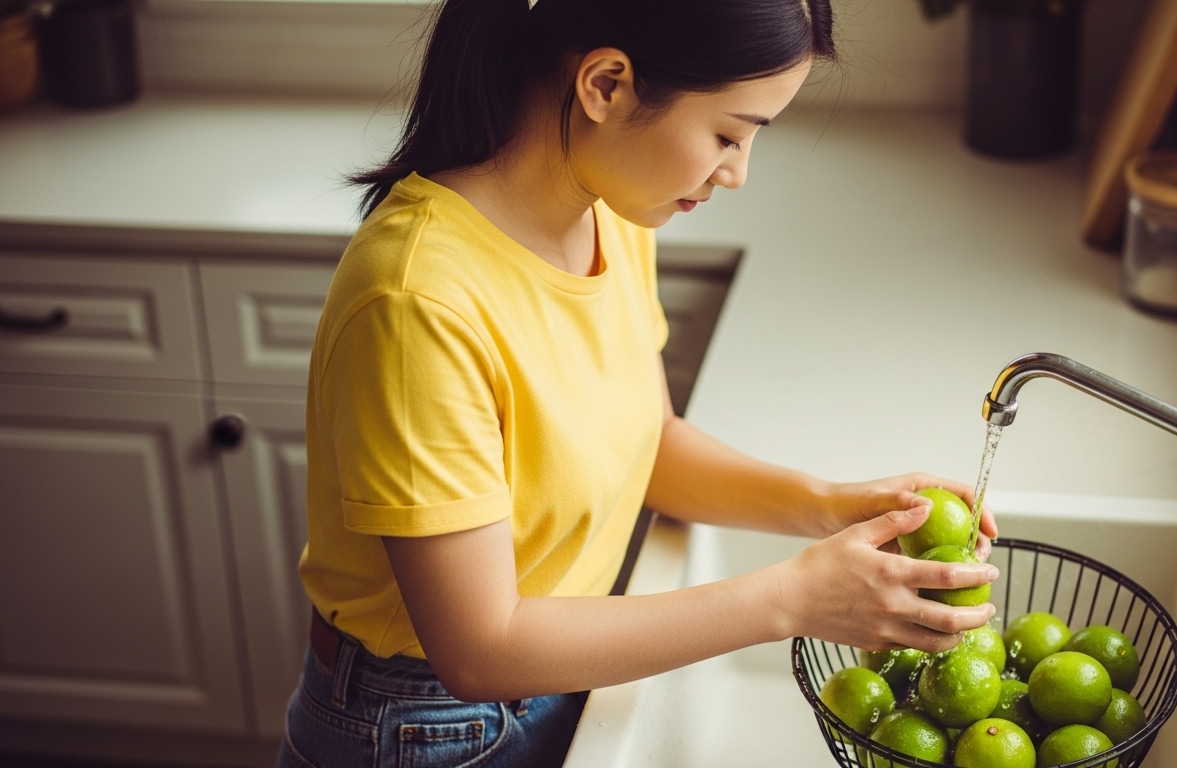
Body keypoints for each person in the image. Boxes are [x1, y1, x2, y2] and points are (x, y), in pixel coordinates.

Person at [279, 0, 1001, 766]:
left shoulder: (612, 211)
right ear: (607, 84)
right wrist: (790, 598)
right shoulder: (416, 299)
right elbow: (480, 649)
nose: (737, 172)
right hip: (425, 725)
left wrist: (832, 506)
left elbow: (648, 443)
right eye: (728, 134)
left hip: (564, 670)